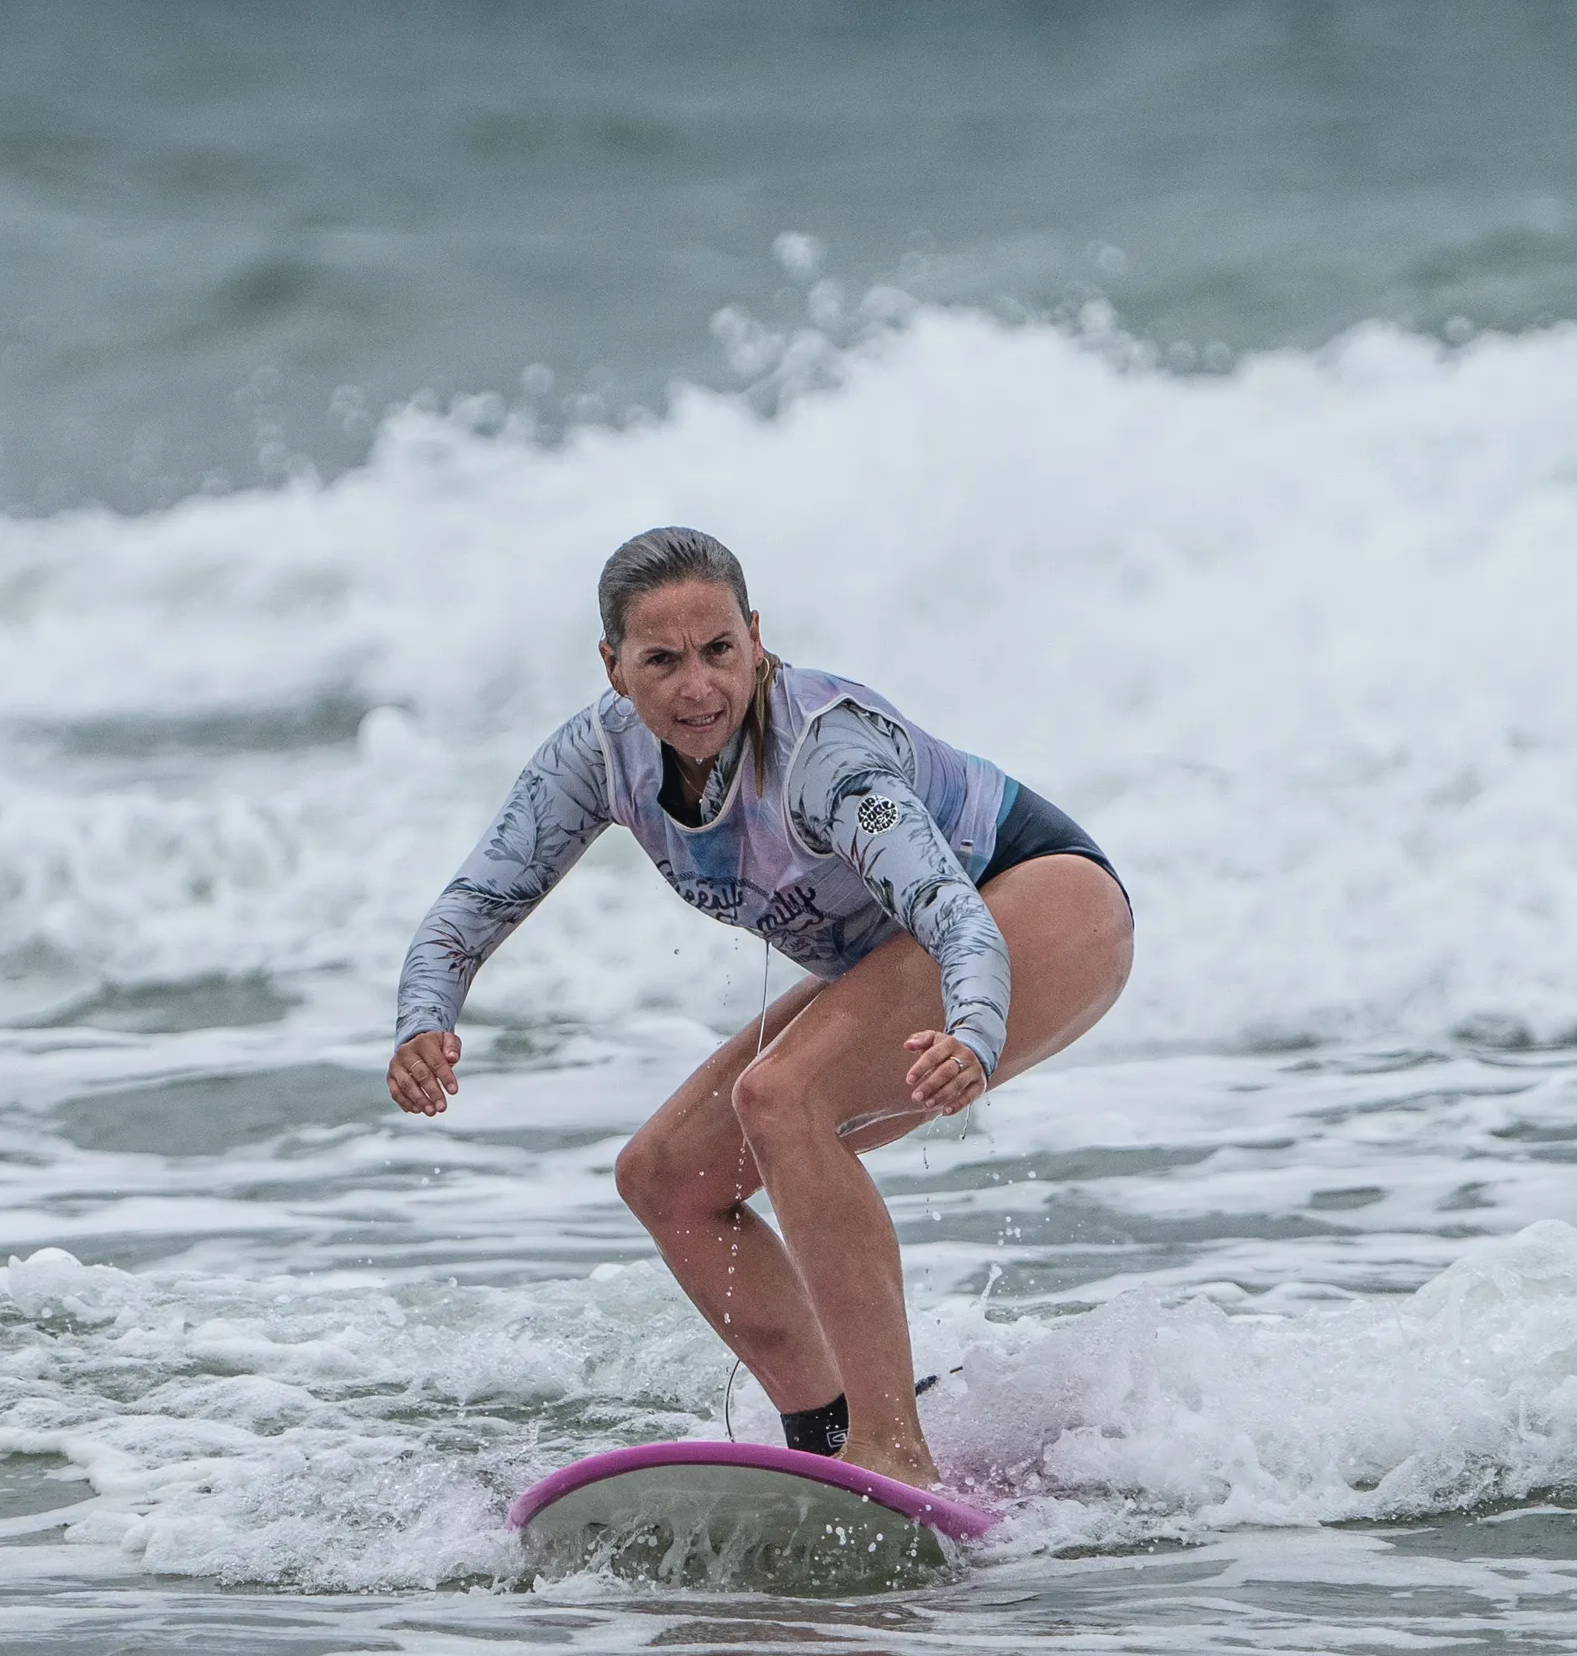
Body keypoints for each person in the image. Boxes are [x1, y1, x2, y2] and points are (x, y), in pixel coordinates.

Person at [388, 527, 1132, 1490]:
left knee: (782, 1097)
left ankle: (895, 1451)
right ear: (614, 668)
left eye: (719, 650)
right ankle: (830, 1438)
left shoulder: (830, 757)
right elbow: (473, 903)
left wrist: (974, 1033)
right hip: (907, 955)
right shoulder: (600, 754)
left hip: (1041, 906)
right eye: (662, 661)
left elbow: (954, 916)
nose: (698, 687)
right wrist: (424, 1018)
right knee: (666, 1177)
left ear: (756, 638)